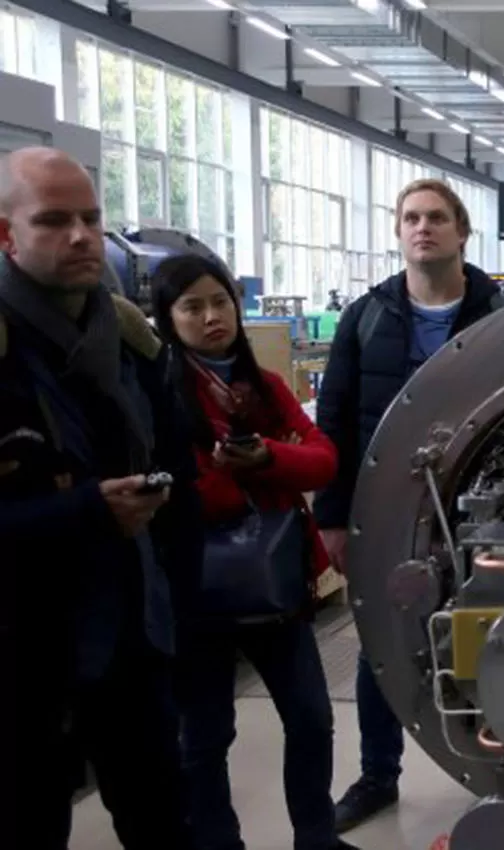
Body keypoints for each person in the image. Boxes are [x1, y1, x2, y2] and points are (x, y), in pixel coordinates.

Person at [0, 147, 201, 849]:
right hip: (29, 652)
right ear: (7, 235)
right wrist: (84, 511)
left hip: (133, 638)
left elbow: (179, 466)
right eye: (55, 221)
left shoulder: (131, 340)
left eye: (91, 217)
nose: (82, 236)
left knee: (160, 819)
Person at [315, 177, 504, 832]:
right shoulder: (366, 318)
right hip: (388, 511)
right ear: (398, 231)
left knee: (494, 638)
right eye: (409, 218)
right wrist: (333, 518)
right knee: (381, 644)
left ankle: (501, 772)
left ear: (461, 231)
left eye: (435, 217)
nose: (421, 228)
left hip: (483, 513)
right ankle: (378, 774)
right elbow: (335, 423)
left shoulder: (501, 315)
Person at [150, 254, 357, 850]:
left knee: (312, 719)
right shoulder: (159, 389)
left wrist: (267, 456)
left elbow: (324, 459)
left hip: (276, 583)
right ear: (168, 317)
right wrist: (261, 469)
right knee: (206, 735)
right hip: (195, 588)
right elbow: (180, 483)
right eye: (192, 307)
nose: (212, 317)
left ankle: (316, 837)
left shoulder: (262, 385)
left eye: (220, 302)